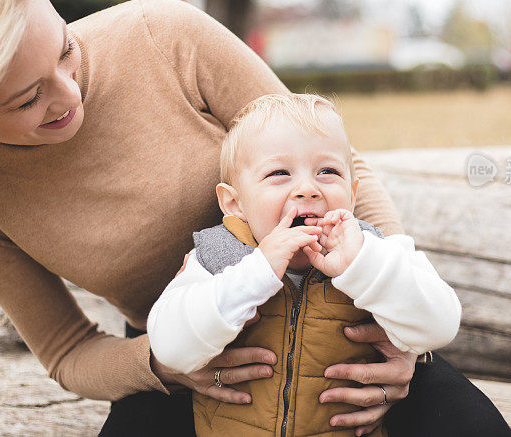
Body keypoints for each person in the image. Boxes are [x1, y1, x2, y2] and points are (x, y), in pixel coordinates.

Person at [0, 0, 511, 436]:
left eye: (66, 50)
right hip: (188, 349)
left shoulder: (166, 36)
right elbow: (68, 351)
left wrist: (402, 328)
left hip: (340, 310)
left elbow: (338, 162)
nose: (70, 94)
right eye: (29, 100)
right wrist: (167, 365)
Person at [147, 93, 463, 436]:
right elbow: (170, 347)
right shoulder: (215, 258)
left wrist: (364, 267)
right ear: (235, 203)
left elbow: (441, 325)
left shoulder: (375, 253)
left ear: (353, 195)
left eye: (327, 171)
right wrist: (257, 273)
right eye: (279, 173)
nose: (307, 189)